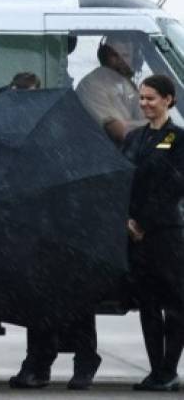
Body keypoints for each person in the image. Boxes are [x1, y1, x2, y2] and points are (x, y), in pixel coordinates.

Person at [7, 71, 103, 390]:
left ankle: (84, 362)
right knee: (38, 302)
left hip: (69, 225)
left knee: (77, 299)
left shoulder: (60, 127)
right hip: (36, 228)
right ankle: (39, 362)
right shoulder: (15, 133)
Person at [122, 74, 184, 392]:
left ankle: (169, 368)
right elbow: (122, 181)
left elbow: (174, 185)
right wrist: (128, 219)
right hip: (136, 234)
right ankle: (154, 370)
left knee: (175, 304)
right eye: (142, 98)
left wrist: (144, 220)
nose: (145, 103)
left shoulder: (179, 138)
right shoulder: (134, 138)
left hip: (166, 232)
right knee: (147, 305)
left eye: (151, 98)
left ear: (168, 100)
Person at [76, 36, 145, 144]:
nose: (121, 61)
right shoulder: (93, 85)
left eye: (125, 55)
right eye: (115, 55)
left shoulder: (126, 84)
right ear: (104, 57)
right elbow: (120, 132)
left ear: (134, 59)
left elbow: (149, 116)